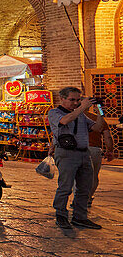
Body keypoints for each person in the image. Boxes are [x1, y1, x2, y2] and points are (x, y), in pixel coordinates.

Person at [47, 87, 107, 229]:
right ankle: (61, 215)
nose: (75, 103)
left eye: (78, 100)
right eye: (72, 100)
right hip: (66, 154)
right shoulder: (54, 112)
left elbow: (97, 128)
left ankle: (80, 217)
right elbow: (65, 121)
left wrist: (100, 112)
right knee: (65, 187)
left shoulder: (80, 115)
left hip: (84, 153)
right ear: (62, 99)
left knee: (85, 187)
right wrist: (82, 107)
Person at [84, 106, 115, 208]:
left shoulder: (72, 117)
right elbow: (107, 136)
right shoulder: (97, 118)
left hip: (78, 150)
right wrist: (109, 150)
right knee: (93, 176)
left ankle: (79, 199)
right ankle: (88, 198)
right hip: (95, 150)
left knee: (79, 175)